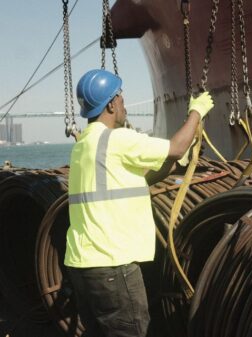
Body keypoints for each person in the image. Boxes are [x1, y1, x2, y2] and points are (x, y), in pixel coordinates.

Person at [64, 69, 213, 336]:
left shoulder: (84, 145)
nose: (123, 104)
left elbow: (138, 177)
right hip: (113, 265)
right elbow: (177, 146)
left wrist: (175, 162)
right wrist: (197, 112)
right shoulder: (117, 139)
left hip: (83, 265)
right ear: (111, 104)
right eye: (120, 97)